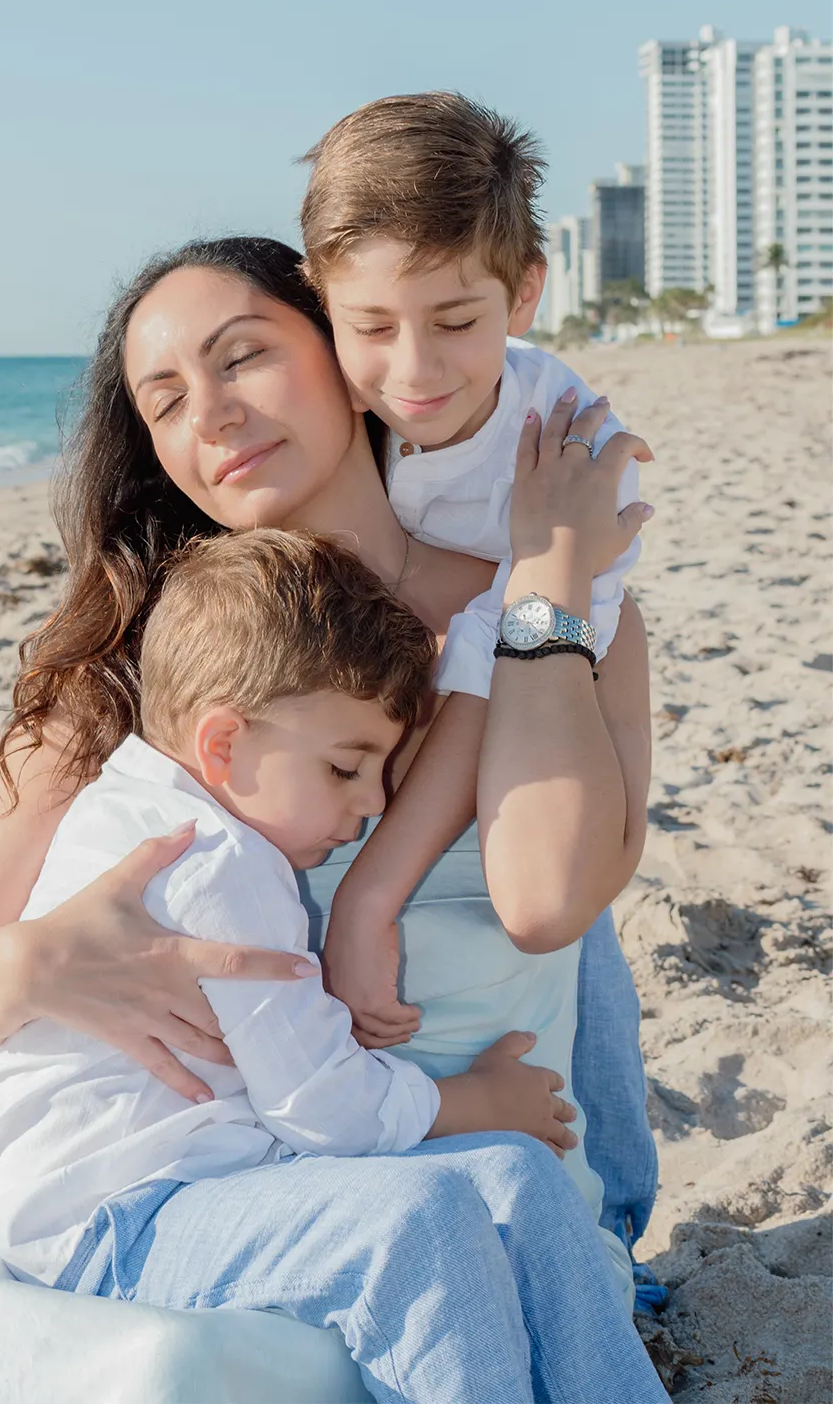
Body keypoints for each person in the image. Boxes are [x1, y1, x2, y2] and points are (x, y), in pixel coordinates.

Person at [0, 236, 660, 1404]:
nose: (210, 414)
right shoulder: (134, 684)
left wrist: (544, 587)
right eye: (165, 399)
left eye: (243, 358)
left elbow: (550, 901)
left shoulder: (542, 611)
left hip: (489, 1218)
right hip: (224, 1211)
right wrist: (30, 966)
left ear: (342, 351)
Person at [0, 527, 666, 1404]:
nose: (370, 805)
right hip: (115, 1224)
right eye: (345, 768)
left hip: (215, 1186)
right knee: (420, 1218)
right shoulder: (212, 861)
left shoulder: (175, 812)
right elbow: (324, 1109)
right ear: (222, 744)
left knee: (522, 1180)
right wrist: (471, 1103)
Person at [297, 93, 660, 1269]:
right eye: (369, 327)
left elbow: (488, 675)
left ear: (523, 293)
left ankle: (609, 1211)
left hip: (527, 710)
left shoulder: (555, 444)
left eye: (454, 320)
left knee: (563, 916)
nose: (411, 371)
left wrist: (368, 899)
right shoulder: (337, 409)